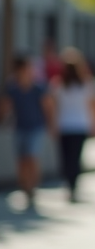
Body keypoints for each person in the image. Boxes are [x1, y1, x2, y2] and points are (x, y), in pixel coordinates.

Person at [47, 48, 95, 203]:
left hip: (67, 125)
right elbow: (92, 106)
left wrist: (53, 124)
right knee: (75, 158)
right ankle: (72, 184)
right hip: (79, 125)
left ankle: (70, 184)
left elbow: (53, 107)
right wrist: (94, 123)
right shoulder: (82, 84)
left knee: (67, 157)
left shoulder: (60, 84)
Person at [2, 55, 52, 212]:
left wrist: (51, 124)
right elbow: (6, 107)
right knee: (22, 160)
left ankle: (33, 189)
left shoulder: (38, 87)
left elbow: (47, 106)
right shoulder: (12, 87)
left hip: (35, 127)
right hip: (19, 127)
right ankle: (24, 188)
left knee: (32, 158)